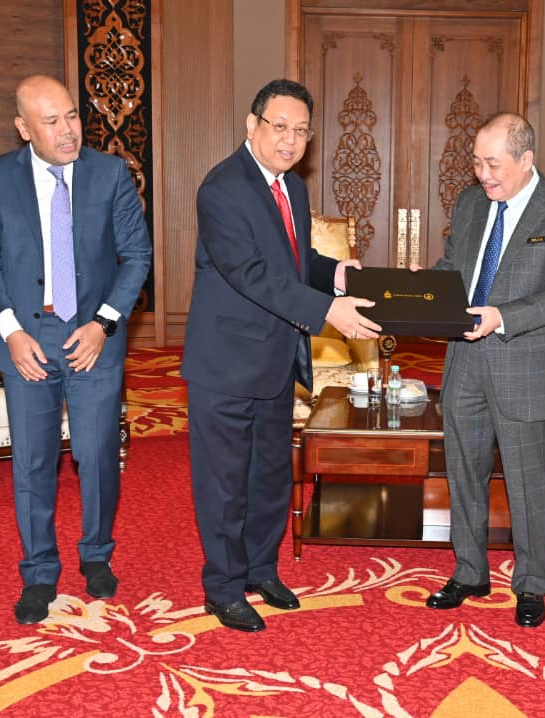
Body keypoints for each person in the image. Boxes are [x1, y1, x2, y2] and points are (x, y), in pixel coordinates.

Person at [182, 79, 380, 633]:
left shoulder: (290, 186)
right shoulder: (221, 188)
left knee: (268, 476)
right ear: (253, 125)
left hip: (273, 359)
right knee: (225, 483)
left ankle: (261, 570)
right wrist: (328, 310)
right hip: (225, 364)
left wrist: (337, 273)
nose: (290, 140)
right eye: (279, 127)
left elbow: (293, 259)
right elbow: (250, 273)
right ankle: (223, 588)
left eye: (301, 131)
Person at [0, 75, 152, 624]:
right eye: (51, 121)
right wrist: (11, 331)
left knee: (97, 454)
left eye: (72, 115)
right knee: (33, 461)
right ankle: (39, 572)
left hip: (93, 335)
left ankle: (96, 554)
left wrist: (104, 324)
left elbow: (137, 255)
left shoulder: (110, 173)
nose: (69, 130)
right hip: (29, 336)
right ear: (24, 128)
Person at [420, 113, 545, 628]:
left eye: (493, 164)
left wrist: (502, 316)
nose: (483, 175)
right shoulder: (471, 203)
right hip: (465, 362)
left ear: (526, 159)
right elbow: (455, 269)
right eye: (477, 163)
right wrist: (421, 289)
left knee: (528, 482)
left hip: (527, 366)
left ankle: (532, 584)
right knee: (463, 472)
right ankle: (469, 572)